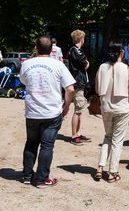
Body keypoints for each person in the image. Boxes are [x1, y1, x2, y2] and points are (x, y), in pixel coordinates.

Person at [20, 36, 75, 188]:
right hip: (51, 111)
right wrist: (66, 106)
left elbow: (24, 81)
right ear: (52, 49)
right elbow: (70, 88)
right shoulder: (58, 65)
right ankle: (42, 178)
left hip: (32, 111)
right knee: (47, 146)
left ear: (36, 47)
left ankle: (27, 175)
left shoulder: (26, 64)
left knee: (31, 143)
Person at [94, 42, 129, 183]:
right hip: (122, 108)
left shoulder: (102, 67)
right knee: (117, 141)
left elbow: (97, 89)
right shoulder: (127, 68)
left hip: (106, 107)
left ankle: (100, 168)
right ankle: (112, 172)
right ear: (122, 52)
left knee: (108, 137)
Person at [68, 29, 91, 145]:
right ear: (81, 38)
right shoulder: (75, 50)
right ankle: (73, 136)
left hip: (81, 82)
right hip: (78, 83)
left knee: (80, 109)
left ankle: (78, 133)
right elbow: (85, 63)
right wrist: (86, 63)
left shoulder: (76, 50)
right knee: (77, 110)